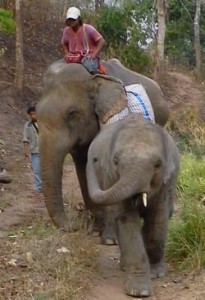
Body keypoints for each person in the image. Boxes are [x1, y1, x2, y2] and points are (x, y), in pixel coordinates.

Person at [61, 6, 105, 74]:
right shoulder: (66, 31)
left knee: (90, 67)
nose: (71, 21)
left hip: (87, 56)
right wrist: (66, 54)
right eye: (69, 19)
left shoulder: (88, 28)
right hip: (73, 56)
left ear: (79, 19)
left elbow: (101, 41)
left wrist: (94, 54)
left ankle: (99, 79)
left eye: (73, 19)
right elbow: (63, 43)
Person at [23, 106, 42, 192]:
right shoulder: (28, 125)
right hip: (35, 151)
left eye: (35, 114)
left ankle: (48, 187)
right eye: (31, 115)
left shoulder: (43, 123)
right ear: (29, 115)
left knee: (46, 169)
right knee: (36, 169)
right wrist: (26, 150)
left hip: (45, 150)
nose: (33, 116)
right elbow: (25, 138)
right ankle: (39, 187)